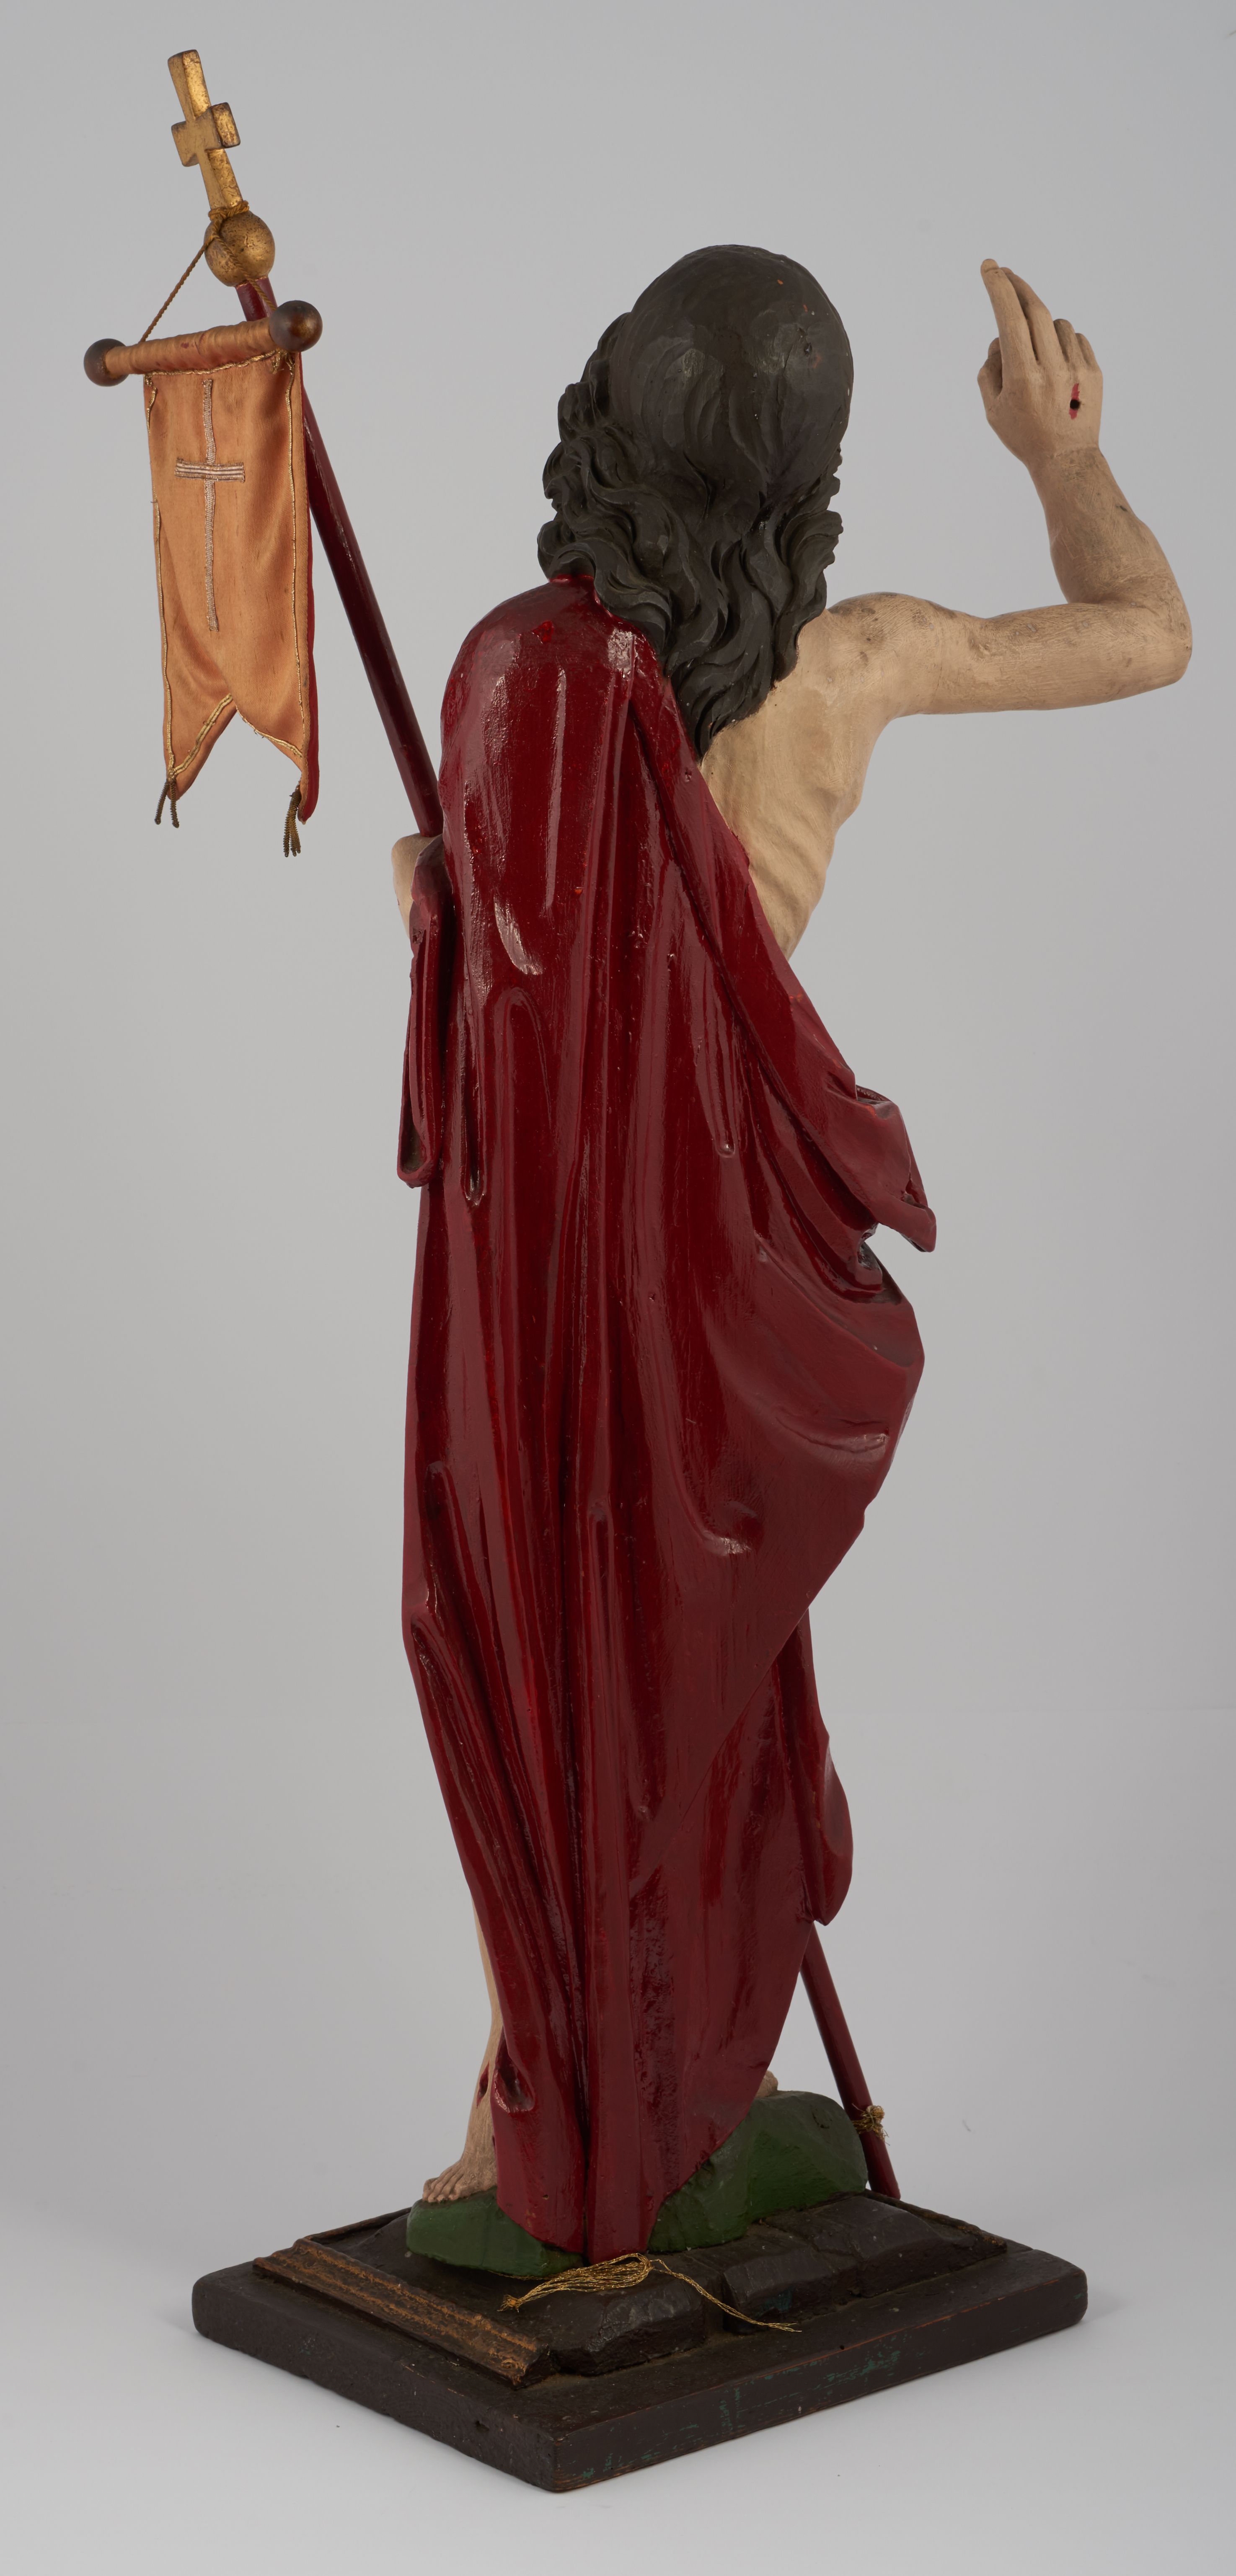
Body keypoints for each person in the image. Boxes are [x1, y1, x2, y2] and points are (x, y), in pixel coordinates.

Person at [391, 251, 1189, 2259]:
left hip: (579, 1248)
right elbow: (1147, 631)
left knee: (558, 1655)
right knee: (643, 1670)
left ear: (606, 428)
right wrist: (1063, 463)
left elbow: (500, 965)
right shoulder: (853, 663)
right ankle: (587, 2083)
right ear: (809, 489)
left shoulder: (524, 679)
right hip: (724, 1264)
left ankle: (547, 2095)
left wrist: (434, 895)